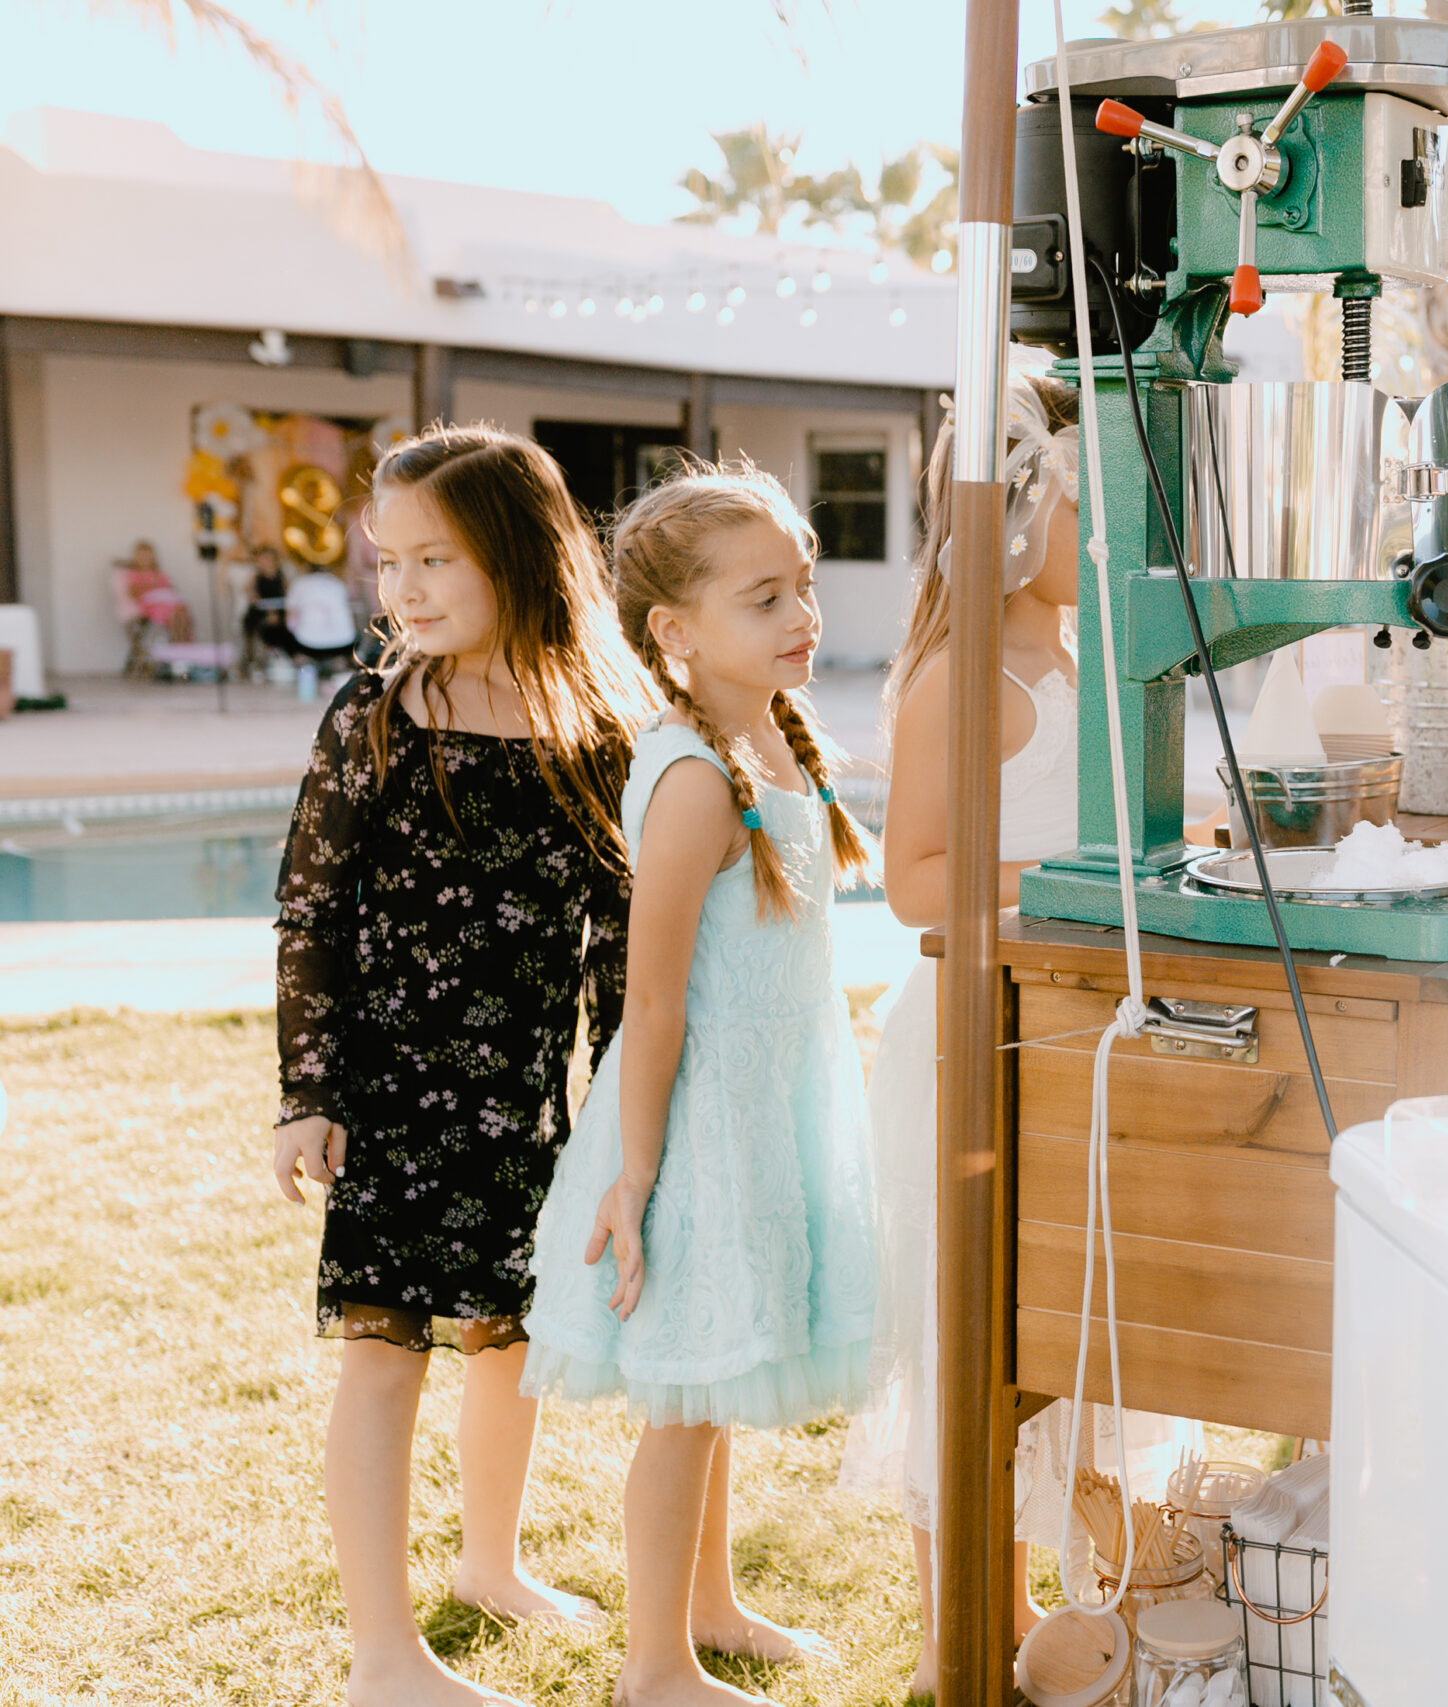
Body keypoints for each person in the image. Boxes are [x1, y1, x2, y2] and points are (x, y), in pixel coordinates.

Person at [269, 425, 655, 1707]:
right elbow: (311, 911)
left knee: (511, 1343)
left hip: (526, 1102)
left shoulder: (597, 731)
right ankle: (386, 1654)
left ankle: (491, 1564)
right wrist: (308, 1093)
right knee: (387, 1358)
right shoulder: (376, 716)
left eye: (436, 558)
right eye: (392, 563)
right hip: (390, 1104)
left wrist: (613, 1117)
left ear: (520, 557)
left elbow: (620, 943)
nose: (407, 589)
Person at [846, 373, 1198, 1698]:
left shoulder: (1084, 657)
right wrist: (1082, 876)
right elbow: (918, 880)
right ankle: (963, 1646)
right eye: (1089, 511)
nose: (1111, 543)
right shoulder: (965, 676)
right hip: (978, 1047)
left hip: (1088, 1035)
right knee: (976, 1341)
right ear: (1016, 513)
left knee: (1086, 1322)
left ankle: (1086, 1626)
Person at [520, 461, 878, 1707]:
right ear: (675, 633)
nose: (801, 617)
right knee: (682, 1399)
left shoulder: (770, 736)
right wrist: (639, 1174)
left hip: (770, 1100)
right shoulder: (688, 777)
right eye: (763, 597)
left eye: (805, 587)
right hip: (696, 1125)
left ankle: (713, 1608)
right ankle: (653, 1666)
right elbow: (653, 1000)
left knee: (720, 1374)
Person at [116, 539, 194, 642]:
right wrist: (150, 587)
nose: (145, 559)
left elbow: (171, 588)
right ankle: (177, 643)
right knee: (174, 614)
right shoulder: (134, 574)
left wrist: (161, 587)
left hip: (166, 601)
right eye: (141, 556)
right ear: (136, 558)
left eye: (147, 556)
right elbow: (133, 593)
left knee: (182, 611)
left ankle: (186, 642)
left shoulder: (158, 574)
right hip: (152, 605)